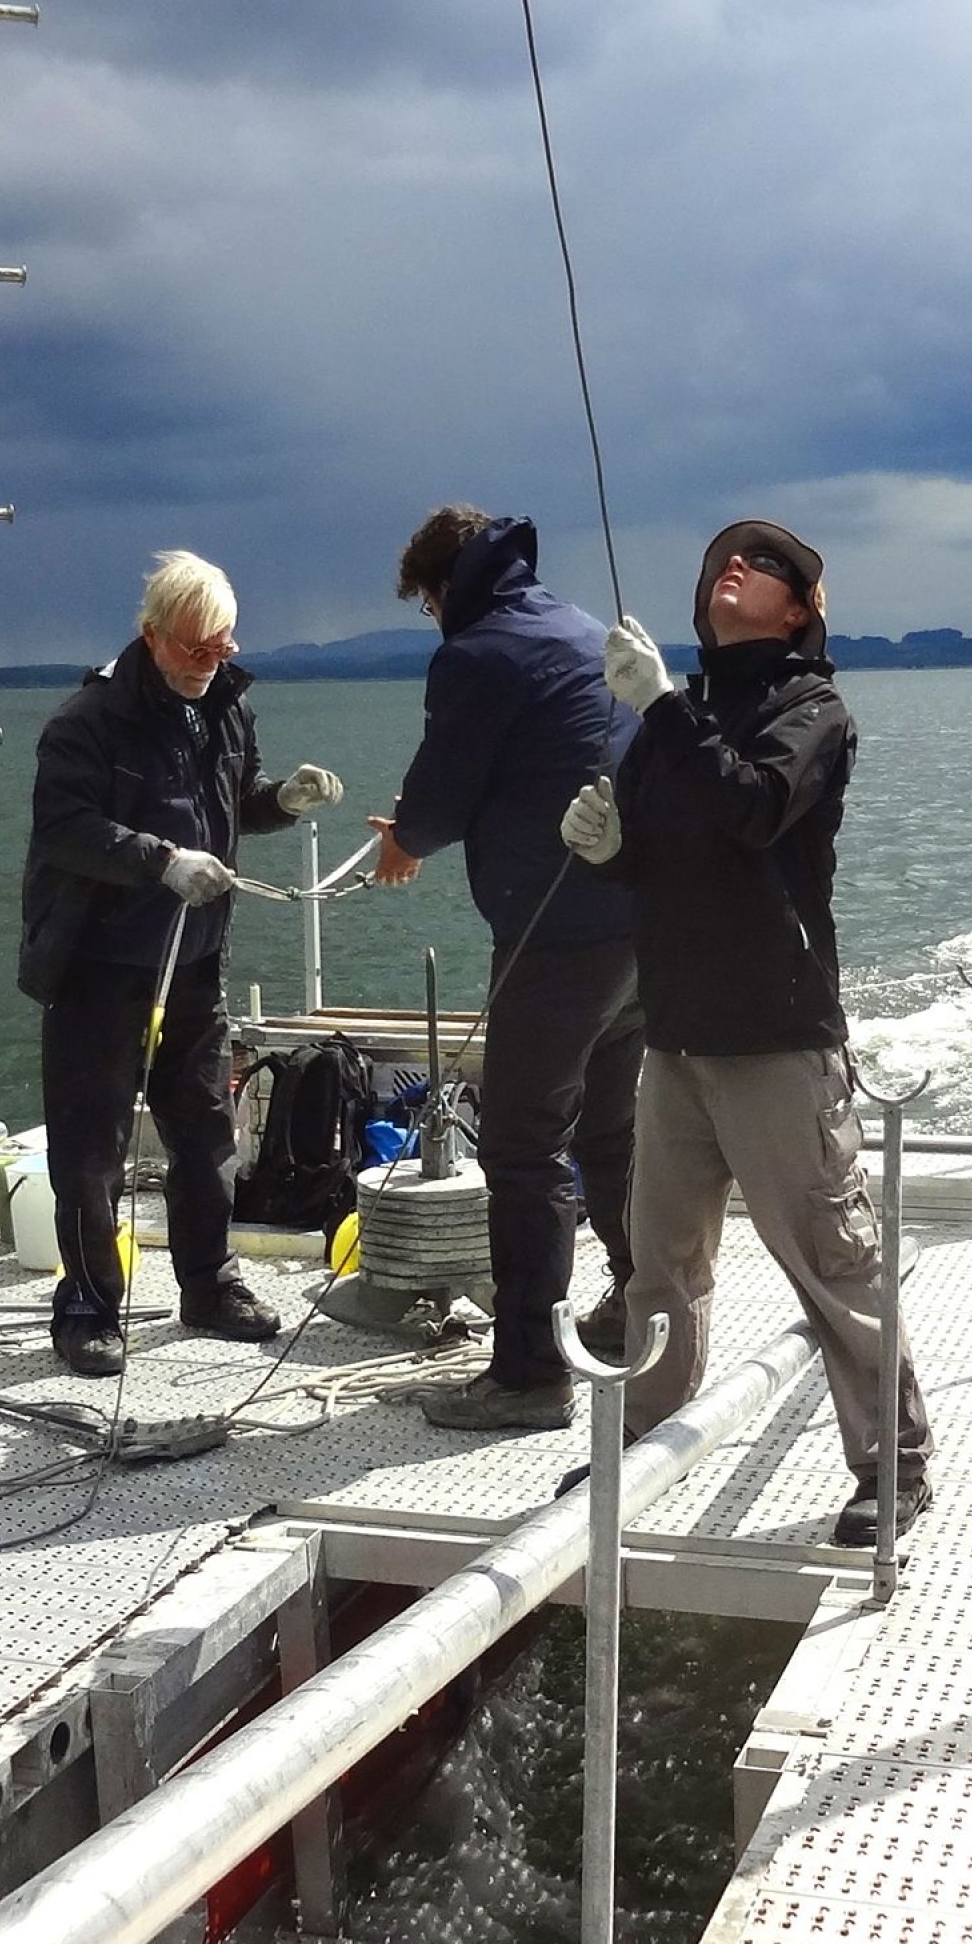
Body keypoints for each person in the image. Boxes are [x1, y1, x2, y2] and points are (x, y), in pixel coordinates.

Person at [559, 519, 934, 1543]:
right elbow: (658, 862)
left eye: (769, 565)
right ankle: (641, 1444)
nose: (739, 564)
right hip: (674, 1038)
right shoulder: (673, 715)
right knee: (660, 1264)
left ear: (801, 609)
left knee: (828, 1259)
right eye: (727, 555)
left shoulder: (808, 710)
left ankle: (893, 1464)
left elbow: (751, 809)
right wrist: (603, 849)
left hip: (776, 1037)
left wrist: (660, 706)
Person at [16, 551, 345, 1376]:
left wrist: (284, 802)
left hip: (193, 966)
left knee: (204, 1137)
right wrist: (161, 859)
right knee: (91, 1154)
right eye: (195, 648)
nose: (209, 663)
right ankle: (89, 1308)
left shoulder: (227, 708)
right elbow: (64, 829)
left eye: (222, 648)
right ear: (152, 635)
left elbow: (234, 805)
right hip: (99, 968)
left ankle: (208, 1283)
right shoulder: (85, 723)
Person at [371, 505, 643, 1432]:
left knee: (523, 1148)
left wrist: (402, 842)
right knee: (609, 1133)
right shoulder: (578, 628)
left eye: (426, 603)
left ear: (442, 591)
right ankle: (643, 1312)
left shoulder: (476, 652)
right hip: (643, 928)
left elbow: (442, 799)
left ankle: (530, 1375)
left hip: (557, 940)